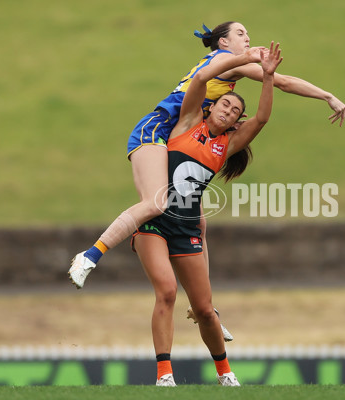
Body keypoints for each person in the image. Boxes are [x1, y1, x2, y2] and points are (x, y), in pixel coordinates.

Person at [68, 21, 345, 290]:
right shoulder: (225, 60)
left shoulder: (228, 65)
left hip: (178, 138)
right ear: (223, 42)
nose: (248, 38)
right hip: (156, 130)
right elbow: (282, 82)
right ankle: (90, 256)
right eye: (241, 33)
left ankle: (204, 305)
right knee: (155, 204)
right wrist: (327, 96)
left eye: (248, 34)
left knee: (198, 223)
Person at [132, 41, 283, 386]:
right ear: (211, 106)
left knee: (204, 310)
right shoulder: (186, 123)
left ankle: (225, 373)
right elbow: (200, 79)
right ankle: (164, 375)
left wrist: (269, 77)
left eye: (233, 110)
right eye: (224, 104)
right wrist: (242, 59)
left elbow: (261, 118)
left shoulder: (226, 145)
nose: (228, 111)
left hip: (186, 229)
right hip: (154, 222)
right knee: (167, 292)